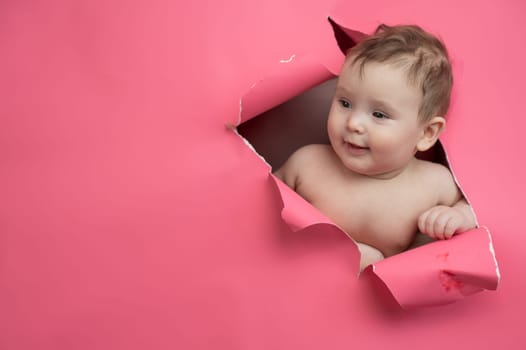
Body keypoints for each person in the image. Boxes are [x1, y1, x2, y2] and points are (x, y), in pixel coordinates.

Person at [274, 24, 477, 271]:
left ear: (426, 133)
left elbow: (475, 209)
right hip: (295, 275)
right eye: (345, 103)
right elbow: (258, 205)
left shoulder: (434, 184)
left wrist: (459, 218)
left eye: (379, 114)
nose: (354, 123)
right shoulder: (306, 165)